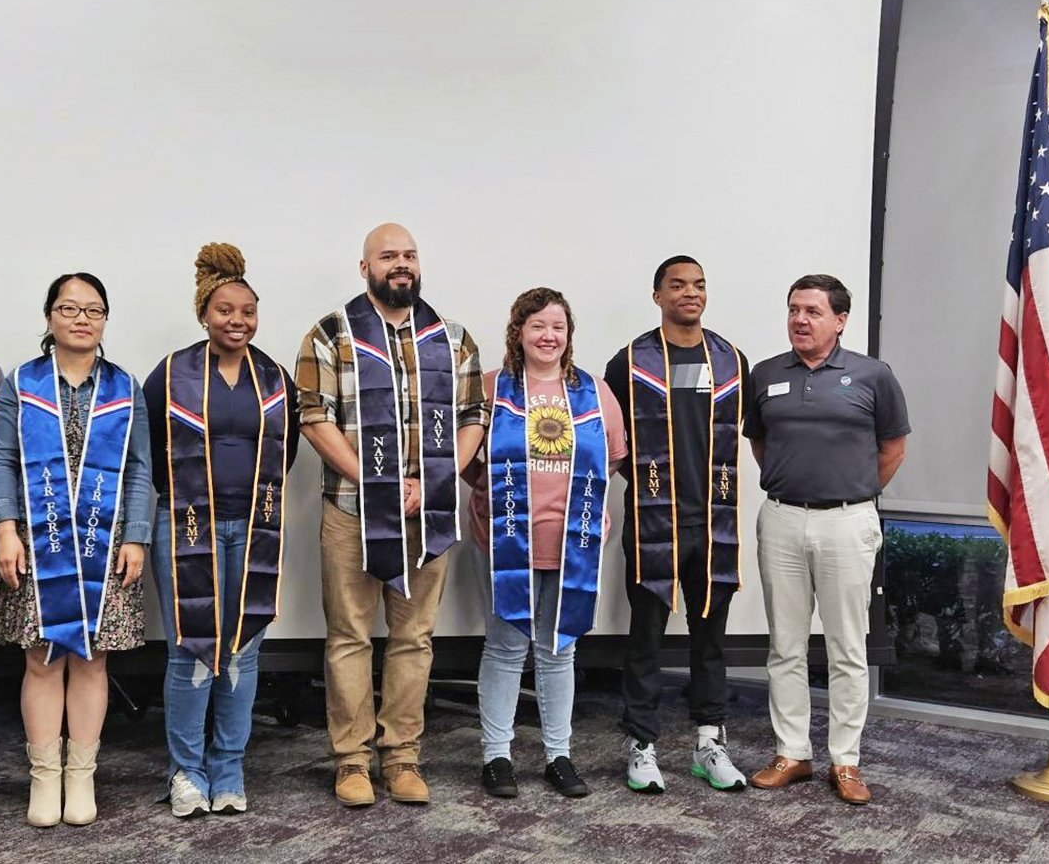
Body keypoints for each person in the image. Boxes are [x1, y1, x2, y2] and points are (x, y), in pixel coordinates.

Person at [295, 222, 488, 807]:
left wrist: (430, 480)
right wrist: (374, 479)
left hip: (425, 513)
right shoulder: (331, 333)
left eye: (408, 255)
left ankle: (402, 757)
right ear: (365, 268)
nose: (400, 264)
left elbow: (473, 417)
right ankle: (351, 762)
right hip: (351, 511)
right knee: (349, 637)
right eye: (387, 256)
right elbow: (312, 416)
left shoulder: (452, 338)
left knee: (414, 638)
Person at [0, 272, 151, 827]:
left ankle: (81, 776)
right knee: (41, 655)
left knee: (92, 656)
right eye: (69, 308)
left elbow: (139, 469)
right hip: (40, 538)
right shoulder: (23, 382)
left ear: (105, 320)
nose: (82, 318)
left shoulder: (125, 387)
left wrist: (136, 536)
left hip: (107, 544)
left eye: (93, 309)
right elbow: (2, 458)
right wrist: (5, 527)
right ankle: (44, 776)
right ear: (49, 316)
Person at [144, 244, 300, 818]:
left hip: (253, 525)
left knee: (244, 647)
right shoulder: (172, 372)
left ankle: (229, 767)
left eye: (248, 312)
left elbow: (286, 452)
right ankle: (186, 770)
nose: (237, 321)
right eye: (225, 310)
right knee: (190, 648)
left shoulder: (275, 378)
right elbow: (150, 451)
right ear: (204, 313)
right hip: (186, 526)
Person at [745, 274, 909, 805]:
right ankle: (792, 753)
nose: (799, 319)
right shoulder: (766, 374)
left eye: (813, 311)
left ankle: (846, 761)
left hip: (847, 522)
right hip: (782, 520)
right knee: (785, 646)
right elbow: (761, 443)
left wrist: (851, 494)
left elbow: (892, 449)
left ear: (840, 320)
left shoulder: (872, 375)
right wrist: (797, 486)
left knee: (845, 648)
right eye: (794, 309)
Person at [466, 288, 626, 799]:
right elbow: (470, 462)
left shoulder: (595, 392)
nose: (548, 336)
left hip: (571, 543)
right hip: (505, 543)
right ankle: (497, 756)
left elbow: (611, 463)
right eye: (537, 326)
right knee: (507, 647)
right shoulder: (491, 390)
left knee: (560, 650)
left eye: (558, 327)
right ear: (518, 332)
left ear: (568, 335)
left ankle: (559, 754)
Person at [603, 255, 751, 795]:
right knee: (645, 637)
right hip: (654, 523)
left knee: (710, 637)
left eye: (699, 285)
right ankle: (641, 745)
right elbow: (614, 444)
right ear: (657, 295)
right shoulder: (631, 362)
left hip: (714, 521)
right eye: (678, 285)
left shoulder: (733, 359)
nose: (691, 293)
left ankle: (709, 742)